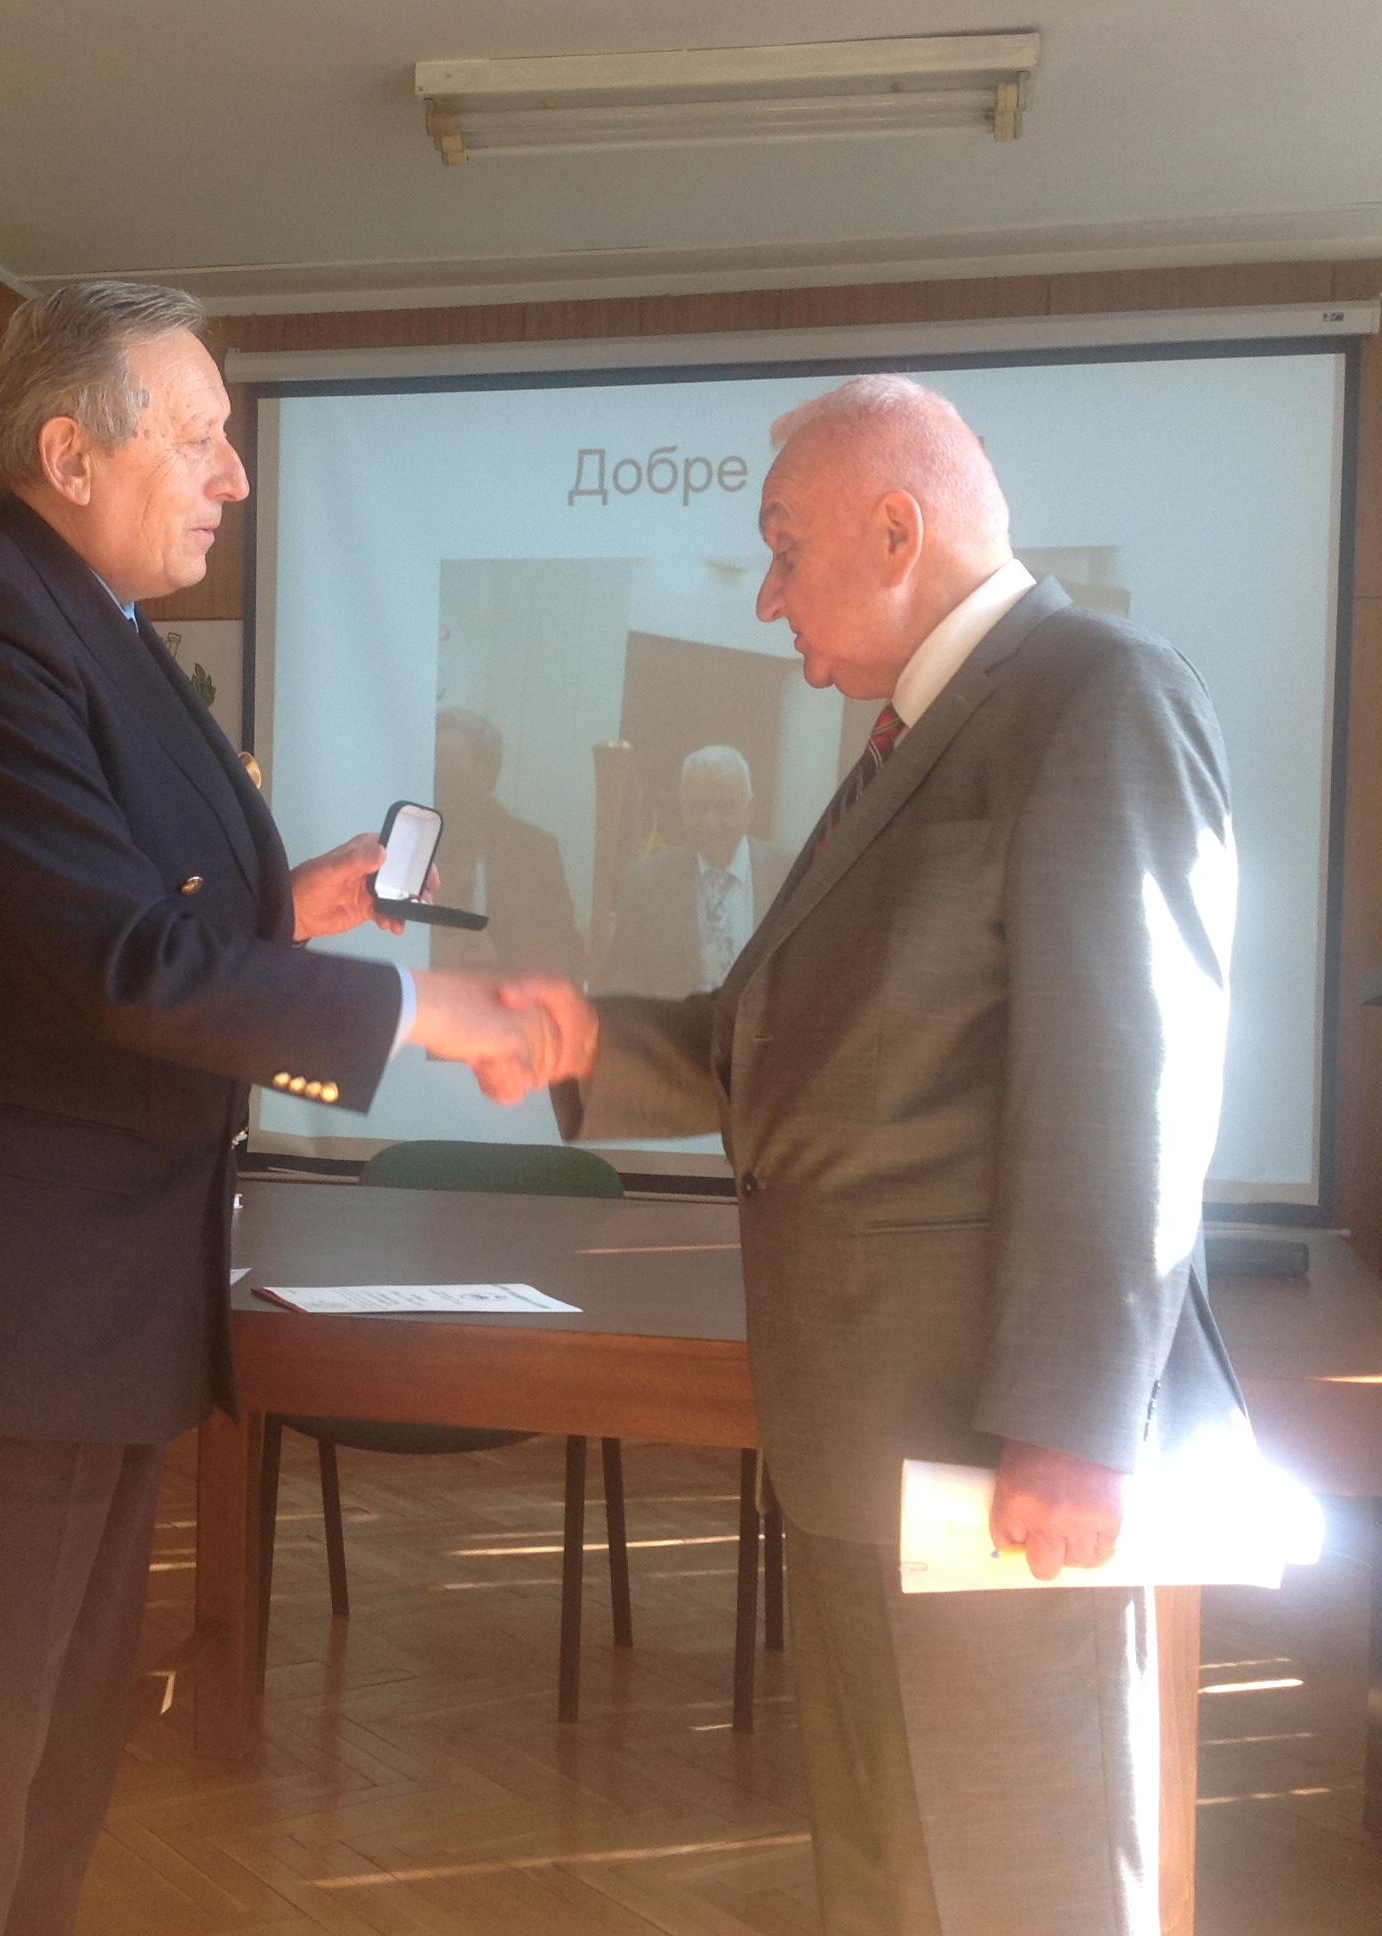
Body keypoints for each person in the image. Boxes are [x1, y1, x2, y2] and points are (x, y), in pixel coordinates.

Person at [0, 281, 560, 1936]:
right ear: (70, 454)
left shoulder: (88, 617)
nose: (234, 476)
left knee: (50, 1768)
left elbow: (120, 914)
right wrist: (422, 1011)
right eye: (198, 437)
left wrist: (291, 908)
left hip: (83, 1303)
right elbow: (117, 961)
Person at [506, 374, 1246, 1935]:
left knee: (1018, 1883)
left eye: (784, 550)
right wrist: (570, 1042)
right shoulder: (913, 735)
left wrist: (1075, 1423)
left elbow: (1135, 1080)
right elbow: (786, 1041)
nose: (765, 596)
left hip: (1000, 1450)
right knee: (892, 1875)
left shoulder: (1096, 695)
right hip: (864, 1435)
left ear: (899, 529)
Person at [596, 745, 795, 996]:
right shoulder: (645, 882)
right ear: (682, 809)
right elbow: (624, 975)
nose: (711, 824)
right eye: (697, 808)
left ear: (750, 809)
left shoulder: (790, 875)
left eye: (725, 807)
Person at [428, 706, 586, 982]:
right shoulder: (405, 848)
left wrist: (503, 966)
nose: (437, 786)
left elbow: (566, 962)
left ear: (487, 776)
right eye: (432, 771)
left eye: (449, 771)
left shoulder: (535, 854)